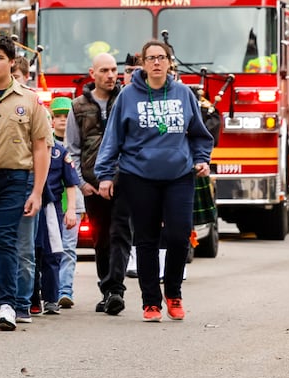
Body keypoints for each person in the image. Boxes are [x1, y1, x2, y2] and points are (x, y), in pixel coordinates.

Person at [94, 39, 214, 323]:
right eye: (151, 58)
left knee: (178, 234)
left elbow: (199, 132)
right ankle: (151, 302)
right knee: (145, 239)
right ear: (143, 63)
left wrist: (201, 158)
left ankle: (173, 293)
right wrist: (105, 174)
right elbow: (113, 138)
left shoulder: (184, 94)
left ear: (170, 62)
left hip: (179, 176)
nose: (157, 63)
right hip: (139, 176)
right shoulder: (127, 96)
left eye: (162, 57)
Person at [0, 35, 51, 330]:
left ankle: (8, 302)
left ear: (11, 61)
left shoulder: (28, 99)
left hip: (14, 177)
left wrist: (37, 191)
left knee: (5, 239)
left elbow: (40, 146)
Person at [65, 51, 132, 315]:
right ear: (93, 74)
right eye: (104, 70)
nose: (110, 75)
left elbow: (131, 142)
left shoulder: (126, 101)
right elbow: (72, 148)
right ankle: (107, 290)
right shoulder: (77, 106)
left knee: (121, 235)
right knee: (101, 239)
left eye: (114, 70)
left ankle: (116, 289)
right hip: (92, 186)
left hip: (123, 183)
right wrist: (82, 183)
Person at [38, 99, 82, 315]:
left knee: (55, 252)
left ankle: (53, 297)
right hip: (29, 207)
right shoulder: (28, 149)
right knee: (30, 254)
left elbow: (71, 183)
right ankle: (30, 297)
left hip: (52, 208)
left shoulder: (59, 151)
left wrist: (72, 210)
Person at [50, 95, 83, 308]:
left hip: (73, 204)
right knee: (49, 250)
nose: (63, 120)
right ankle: (50, 290)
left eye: (67, 115)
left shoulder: (76, 144)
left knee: (68, 248)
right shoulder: (44, 142)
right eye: (58, 116)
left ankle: (65, 290)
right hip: (51, 204)